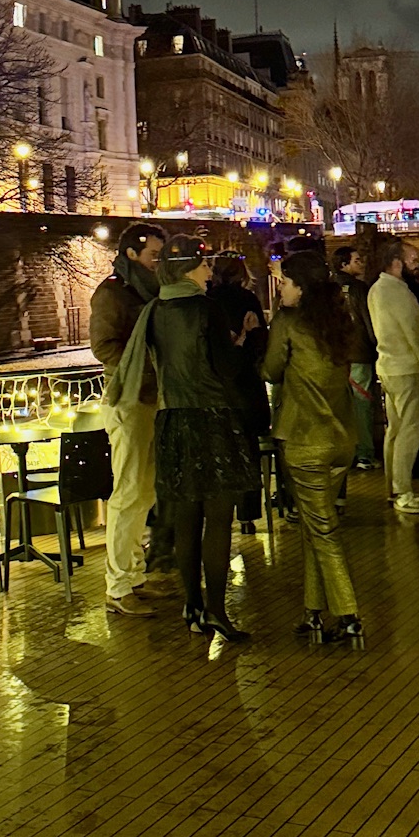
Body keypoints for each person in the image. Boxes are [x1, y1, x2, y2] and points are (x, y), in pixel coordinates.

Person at [107, 233, 255, 640]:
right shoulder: (206, 310)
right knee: (219, 520)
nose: (210, 272)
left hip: (172, 421)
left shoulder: (153, 311)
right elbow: (225, 369)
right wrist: (242, 342)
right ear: (187, 268)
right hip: (212, 420)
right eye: (204, 265)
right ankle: (217, 611)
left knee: (187, 518)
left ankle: (191, 607)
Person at [264, 251, 364, 644]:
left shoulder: (288, 323)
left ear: (301, 288)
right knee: (314, 524)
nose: (281, 290)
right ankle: (313, 611)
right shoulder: (338, 321)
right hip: (341, 437)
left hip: (305, 438)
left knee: (322, 531)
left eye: (285, 283)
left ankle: (349, 613)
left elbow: (271, 370)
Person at [90, 222, 168, 616]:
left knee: (144, 490)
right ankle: (117, 587)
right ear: (133, 254)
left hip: (153, 398)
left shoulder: (149, 290)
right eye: (154, 256)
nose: (159, 263)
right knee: (128, 492)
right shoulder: (112, 293)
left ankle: (134, 576)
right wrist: (147, 363)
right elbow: (103, 346)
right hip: (130, 398)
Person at [368, 239, 419, 514]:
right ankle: (403, 490)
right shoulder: (398, 293)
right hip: (407, 368)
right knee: (412, 430)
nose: (415, 264)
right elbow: (416, 336)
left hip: (387, 366)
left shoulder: (377, 289)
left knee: (395, 430)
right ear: (397, 263)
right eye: (411, 259)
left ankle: (392, 487)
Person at [208, 252, 269, 528]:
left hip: (215, 388)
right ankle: (248, 516)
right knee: (249, 451)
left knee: (219, 452)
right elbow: (260, 342)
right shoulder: (247, 300)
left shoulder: (207, 303)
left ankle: (219, 513)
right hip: (245, 386)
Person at [332, 244, 377, 469]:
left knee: (341, 405)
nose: (362, 263)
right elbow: (369, 321)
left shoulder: (327, 288)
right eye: (357, 260)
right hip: (359, 353)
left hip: (335, 356)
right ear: (344, 264)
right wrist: (375, 345)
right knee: (362, 405)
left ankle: (343, 453)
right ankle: (364, 454)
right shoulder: (359, 289)